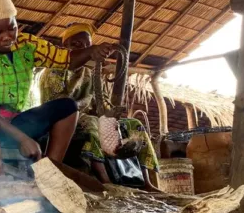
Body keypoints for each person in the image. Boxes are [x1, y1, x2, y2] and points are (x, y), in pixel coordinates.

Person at [0, 0, 115, 176]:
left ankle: (49, 173)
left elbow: (66, 59)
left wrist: (91, 51)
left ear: (16, 23)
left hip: (11, 122)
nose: (7, 36)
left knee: (67, 107)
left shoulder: (28, 45)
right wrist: (22, 138)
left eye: (11, 28)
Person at [39, 23, 160, 191]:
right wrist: (91, 114)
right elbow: (56, 105)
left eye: (87, 45)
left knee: (134, 125)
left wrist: (110, 114)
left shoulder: (91, 72)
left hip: (88, 118)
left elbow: (100, 103)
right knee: (91, 123)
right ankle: (104, 181)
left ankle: (146, 182)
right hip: (63, 120)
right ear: (64, 47)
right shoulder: (54, 70)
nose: (84, 49)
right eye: (76, 45)